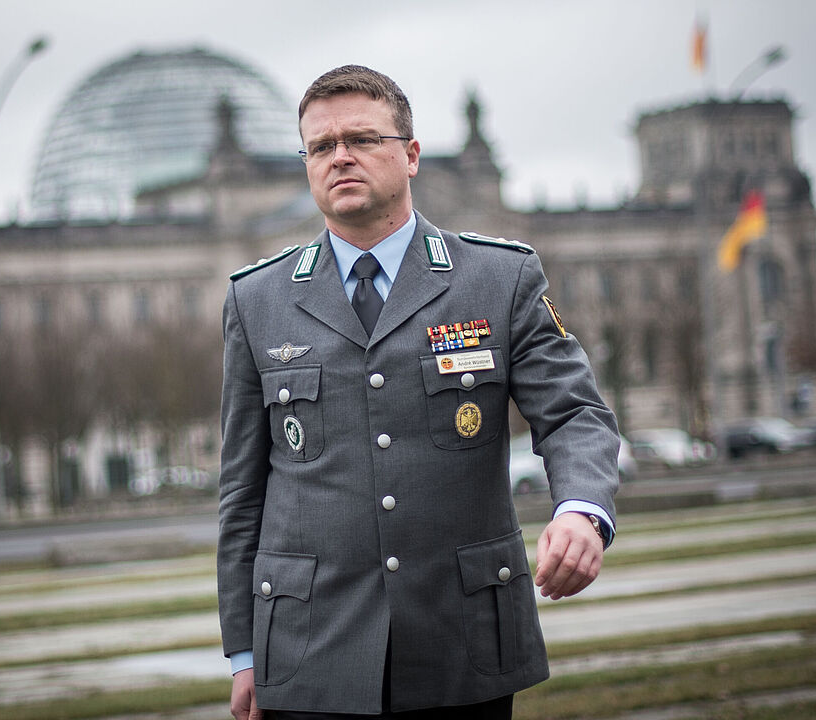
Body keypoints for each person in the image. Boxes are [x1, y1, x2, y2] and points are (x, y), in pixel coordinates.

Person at [217, 65, 620, 719]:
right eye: (320, 146)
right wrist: (243, 652)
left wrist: (581, 509)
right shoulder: (257, 299)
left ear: (410, 156)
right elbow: (242, 493)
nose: (339, 156)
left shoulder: (497, 278)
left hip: (461, 643)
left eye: (361, 139)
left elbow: (574, 412)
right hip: (308, 650)